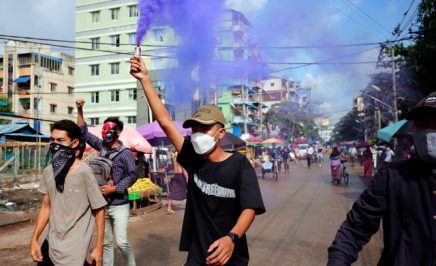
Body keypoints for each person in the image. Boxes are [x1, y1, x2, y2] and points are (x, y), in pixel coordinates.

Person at [130, 56, 265, 266]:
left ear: (221, 133)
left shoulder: (239, 164)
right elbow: (165, 121)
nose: (197, 134)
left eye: (205, 129)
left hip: (230, 256)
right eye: (194, 129)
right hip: (197, 255)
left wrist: (232, 238)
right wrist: (145, 80)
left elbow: (250, 207)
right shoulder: (192, 157)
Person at [327, 91, 436, 265]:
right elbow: (355, 229)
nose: (430, 132)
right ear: (414, 130)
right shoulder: (390, 176)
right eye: (424, 125)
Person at [29, 120, 106, 266]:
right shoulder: (48, 172)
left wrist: (99, 247)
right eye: (52, 140)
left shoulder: (85, 173)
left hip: (75, 248)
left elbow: (100, 210)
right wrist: (34, 239)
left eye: (60, 140)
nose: (54, 144)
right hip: (51, 244)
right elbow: (46, 206)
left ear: (74, 143)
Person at [76, 101, 138, 266]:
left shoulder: (125, 154)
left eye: (108, 128)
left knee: (122, 242)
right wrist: (80, 109)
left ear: (118, 131)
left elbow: (133, 175)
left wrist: (114, 189)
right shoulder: (101, 146)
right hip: (102, 204)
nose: (104, 132)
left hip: (119, 204)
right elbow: (84, 133)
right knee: (106, 243)